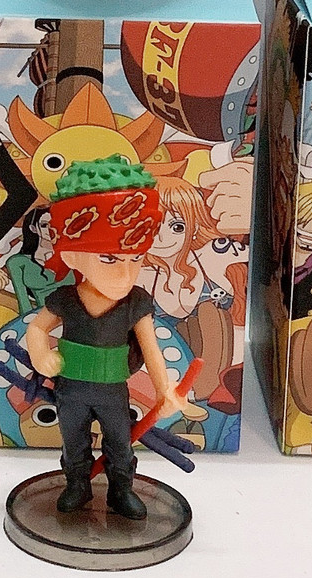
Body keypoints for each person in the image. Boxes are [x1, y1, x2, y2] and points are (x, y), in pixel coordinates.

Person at [21, 158, 187, 518]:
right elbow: (37, 328)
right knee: (73, 441)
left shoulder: (136, 303)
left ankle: (121, 489)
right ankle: (77, 485)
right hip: (71, 389)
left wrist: (165, 390)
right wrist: (40, 354)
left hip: (113, 391)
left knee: (120, 443)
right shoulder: (66, 299)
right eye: (109, 260)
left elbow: (151, 349)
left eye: (135, 259)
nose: (125, 274)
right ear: (72, 254)